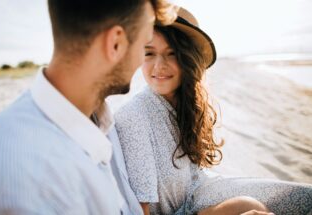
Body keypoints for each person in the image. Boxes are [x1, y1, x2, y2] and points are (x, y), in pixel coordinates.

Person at [0, 0, 177, 214]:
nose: (141, 61)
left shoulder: (98, 124)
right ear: (116, 43)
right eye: (144, 46)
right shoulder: (28, 181)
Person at [114, 7, 312, 215]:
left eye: (172, 53)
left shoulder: (183, 103)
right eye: (149, 53)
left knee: (304, 198)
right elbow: (140, 210)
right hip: (188, 208)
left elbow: (193, 175)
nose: (159, 66)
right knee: (251, 207)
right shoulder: (133, 117)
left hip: (204, 188)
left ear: (189, 59)